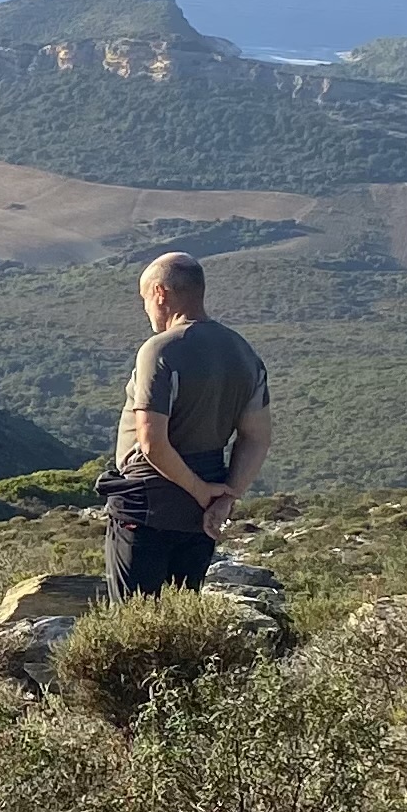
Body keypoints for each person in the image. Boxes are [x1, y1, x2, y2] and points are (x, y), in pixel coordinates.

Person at [97, 251, 270, 600]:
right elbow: (257, 438)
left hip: (146, 509)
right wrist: (224, 498)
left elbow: (152, 441)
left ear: (160, 293)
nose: (146, 309)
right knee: (180, 618)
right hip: (200, 518)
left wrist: (199, 490)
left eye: (145, 299)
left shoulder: (160, 350)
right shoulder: (243, 352)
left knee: (136, 623)